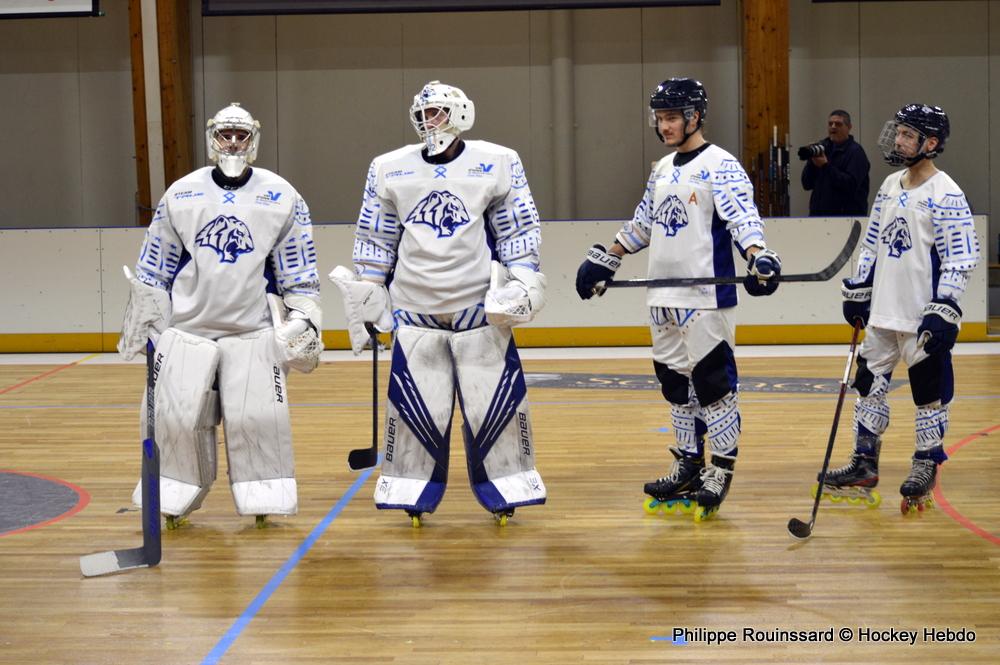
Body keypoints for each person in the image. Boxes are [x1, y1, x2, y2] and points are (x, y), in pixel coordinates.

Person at [330, 81, 547, 526]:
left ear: (462, 114)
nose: (431, 123)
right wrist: (368, 292)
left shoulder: (498, 161)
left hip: (479, 311)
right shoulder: (389, 168)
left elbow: (516, 231)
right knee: (416, 408)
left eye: (439, 113)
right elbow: (376, 237)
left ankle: (507, 486)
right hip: (415, 310)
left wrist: (524, 280)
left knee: (494, 406)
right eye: (425, 114)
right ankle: (411, 488)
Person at [575, 78, 781, 522]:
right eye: (660, 118)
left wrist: (759, 256)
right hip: (661, 294)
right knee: (675, 387)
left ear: (695, 117)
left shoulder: (721, 165)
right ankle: (689, 462)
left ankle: (720, 469)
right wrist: (605, 259)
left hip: (705, 296)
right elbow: (643, 224)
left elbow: (744, 219)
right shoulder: (664, 168)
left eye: (672, 117)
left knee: (713, 385)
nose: (664, 125)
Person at [117, 103, 323, 528]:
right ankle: (173, 495)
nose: (233, 142)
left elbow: (298, 272)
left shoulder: (282, 195)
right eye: (226, 134)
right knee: (173, 419)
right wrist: (143, 321)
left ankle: (263, 496)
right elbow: (154, 266)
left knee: (258, 420)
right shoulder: (182, 193)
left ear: (253, 140)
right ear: (213, 138)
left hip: (252, 331)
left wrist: (305, 317)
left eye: (241, 135)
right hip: (188, 330)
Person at [821, 103, 980, 514]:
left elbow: (961, 257)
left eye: (908, 135)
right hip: (883, 315)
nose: (898, 140)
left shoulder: (947, 193)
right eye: (899, 132)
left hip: (921, 317)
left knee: (929, 394)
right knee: (867, 388)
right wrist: (859, 288)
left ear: (931, 143)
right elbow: (872, 244)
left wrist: (944, 306)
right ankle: (864, 462)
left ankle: (925, 462)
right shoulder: (891, 184)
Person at [800, 110, 871, 216]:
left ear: (849, 127)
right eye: (830, 124)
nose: (833, 127)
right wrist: (812, 161)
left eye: (838, 124)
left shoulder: (856, 152)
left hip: (846, 219)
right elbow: (806, 184)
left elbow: (850, 185)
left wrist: (825, 166)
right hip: (818, 218)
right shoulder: (823, 148)